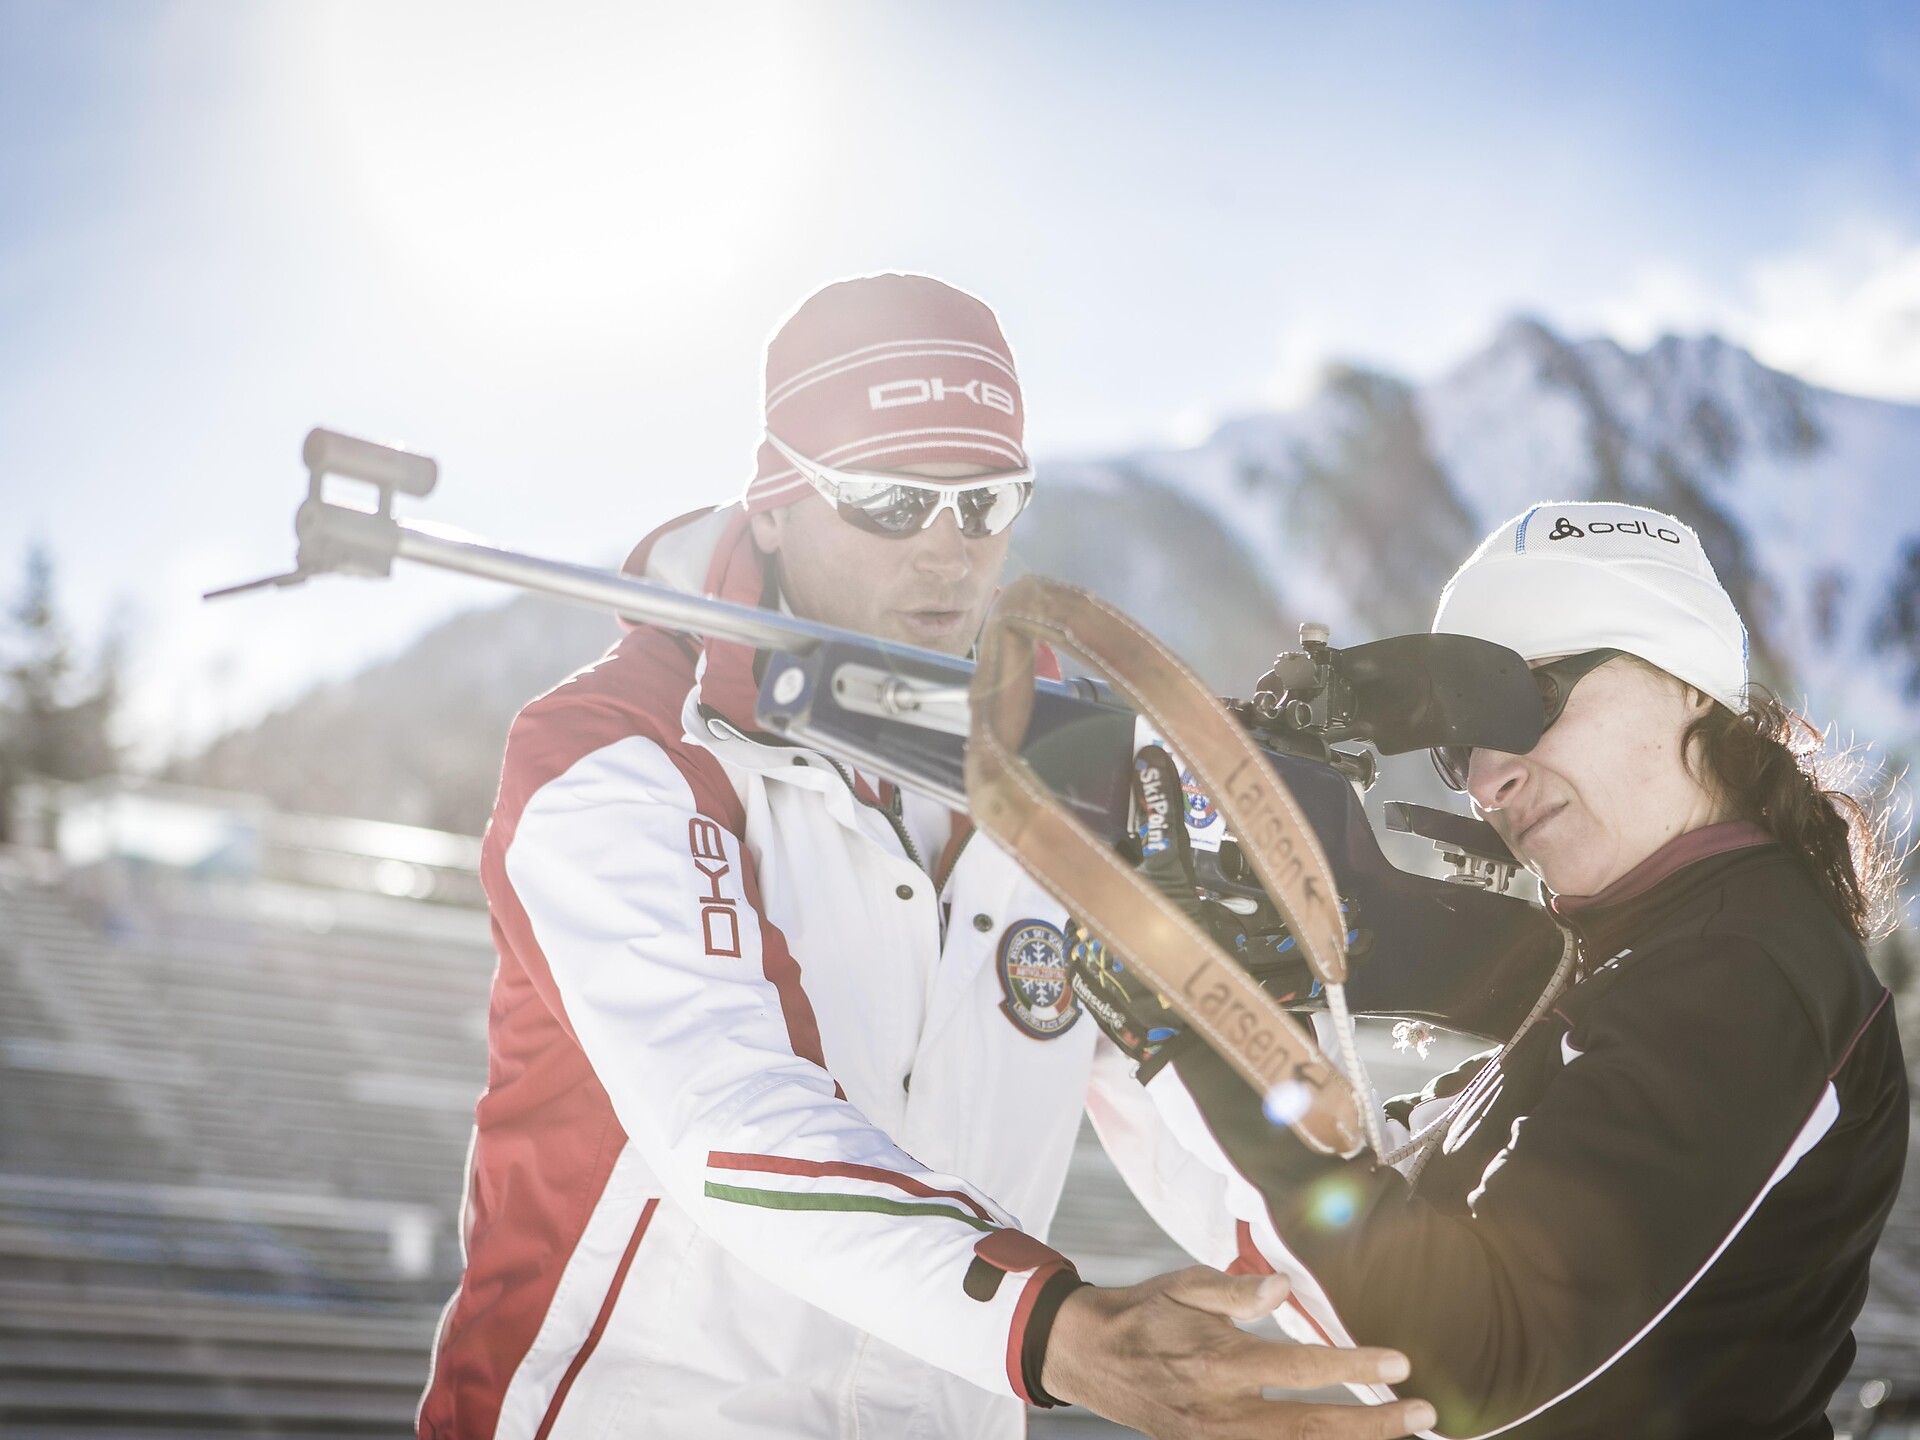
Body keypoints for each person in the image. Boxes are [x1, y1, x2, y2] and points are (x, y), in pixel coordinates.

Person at [415, 272, 1436, 1440]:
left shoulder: (1075, 775)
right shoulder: (614, 750)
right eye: (889, 501)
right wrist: (1051, 1331)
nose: (947, 553)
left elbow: (1211, 1129)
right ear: (775, 504)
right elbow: (726, 1111)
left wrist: (1440, 1354)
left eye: (987, 502)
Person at [1121, 501, 1909, 1439]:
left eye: (1527, 702)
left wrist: (1199, 1027)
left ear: (1688, 681)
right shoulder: (1646, 950)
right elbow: (1329, 1256)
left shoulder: (1742, 974)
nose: (1489, 780)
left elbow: (1477, 1362)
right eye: (1460, 748)